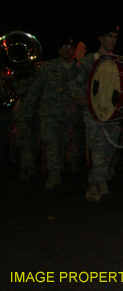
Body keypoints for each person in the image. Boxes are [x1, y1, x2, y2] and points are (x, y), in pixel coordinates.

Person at [21, 37, 82, 190]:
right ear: (58, 50)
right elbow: (35, 90)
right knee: (52, 142)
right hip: (50, 113)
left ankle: (64, 171)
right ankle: (54, 175)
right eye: (63, 47)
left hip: (71, 115)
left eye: (70, 47)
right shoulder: (49, 68)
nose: (67, 49)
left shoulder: (79, 69)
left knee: (65, 144)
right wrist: (28, 111)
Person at [71, 25, 121, 203]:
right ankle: (103, 186)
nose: (113, 40)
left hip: (113, 114)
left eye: (115, 36)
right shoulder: (88, 60)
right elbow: (74, 82)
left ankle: (93, 186)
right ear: (101, 38)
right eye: (109, 36)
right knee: (98, 149)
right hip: (93, 113)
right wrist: (80, 96)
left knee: (110, 150)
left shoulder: (117, 61)